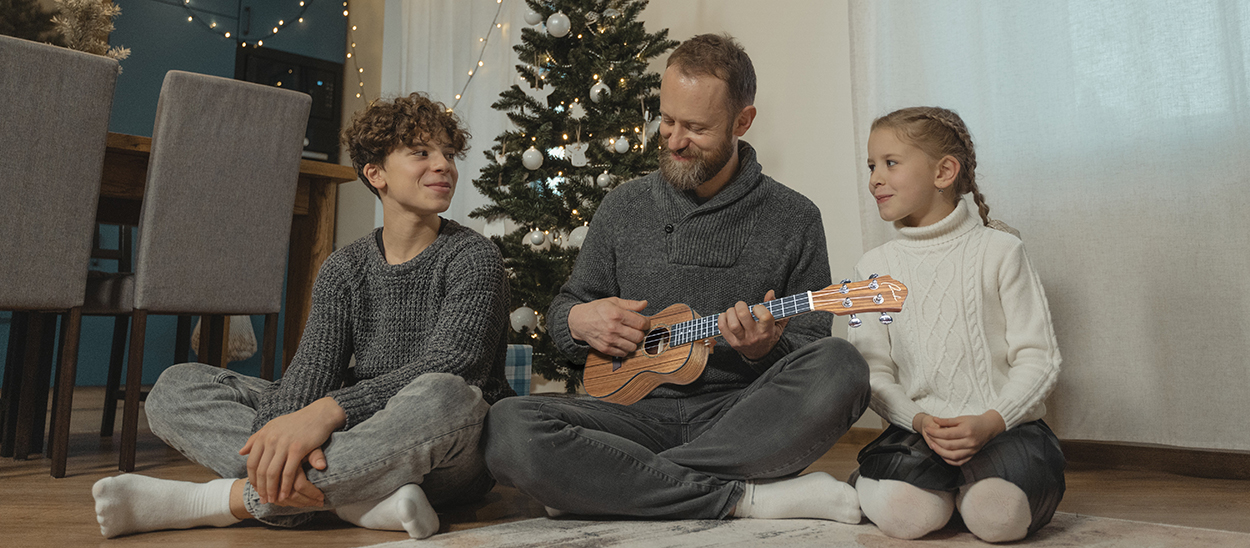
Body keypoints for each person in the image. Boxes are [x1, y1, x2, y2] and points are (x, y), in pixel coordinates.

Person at [91, 92, 515, 539]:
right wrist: (285, 426)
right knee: (175, 388)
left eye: (448, 154)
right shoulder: (345, 267)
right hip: (364, 434)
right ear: (376, 174)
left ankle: (222, 501)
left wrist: (331, 411)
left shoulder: (474, 256)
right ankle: (362, 502)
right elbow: (311, 370)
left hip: (447, 447)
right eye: (421, 153)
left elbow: (455, 364)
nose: (443, 165)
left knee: (446, 393)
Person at [483, 34, 870, 523]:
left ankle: (609, 482)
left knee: (843, 367)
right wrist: (580, 319)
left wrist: (763, 349)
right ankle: (745, 498)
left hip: (738, 417)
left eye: (696, 127)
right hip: (628, 416)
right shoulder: (624, 206)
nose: (673, 139)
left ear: (742, 121)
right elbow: (567, 310)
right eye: (666, 119)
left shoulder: (794, 217)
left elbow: (813, 344)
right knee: (508, 427)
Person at [849, 106, 1064, 542]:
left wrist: (992, 420)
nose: (874, 178)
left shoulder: (1002, 251)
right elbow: (872, 371)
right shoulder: (870, 268)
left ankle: (972, 491)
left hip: (1005, 429)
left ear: (944, 171)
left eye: (890, 163)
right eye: (871, 165)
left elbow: (1039, 359)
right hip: (917, 431)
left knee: (998, 518)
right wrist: (919, 419)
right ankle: (906, 488)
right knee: (908, 515)